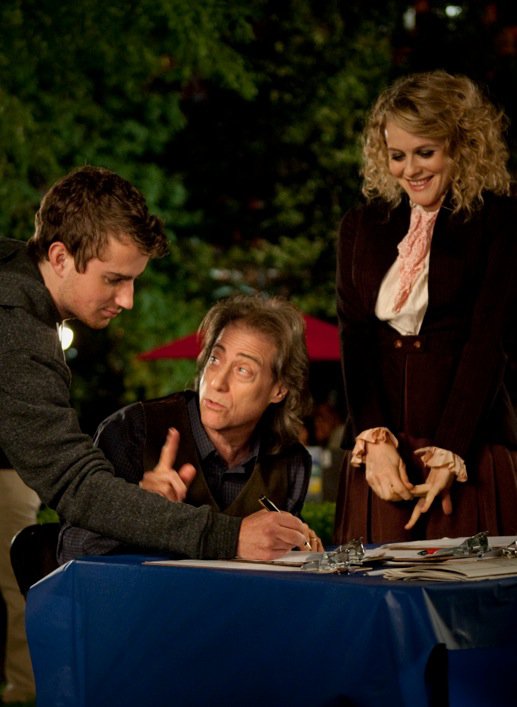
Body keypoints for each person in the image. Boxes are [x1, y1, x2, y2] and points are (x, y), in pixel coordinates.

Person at [0, 167, 314, 577]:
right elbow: (74, 483)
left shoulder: (14, 279)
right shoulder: (16, 323)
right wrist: (230, 536)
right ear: (60, 258)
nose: (127, 300)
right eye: (114, 279)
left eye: (132, 281)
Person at [334, 70, 517, 545]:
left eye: (425, 152)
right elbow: (355, 338)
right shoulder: (360, 226)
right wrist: (373, 438)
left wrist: (452, 448)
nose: (410, 169)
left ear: (461, 146)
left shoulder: (498, 222)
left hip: (467, 447)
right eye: (397, 155)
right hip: (381, 457)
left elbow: (487, 343)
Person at [59, 293, 323, 560]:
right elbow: (72, 549)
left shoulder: (290, 463)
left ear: (279, 390)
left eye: (243, 370)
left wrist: (297, 544)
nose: (217, 382)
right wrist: (137, 507)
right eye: (215, 359)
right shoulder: (132, 431)